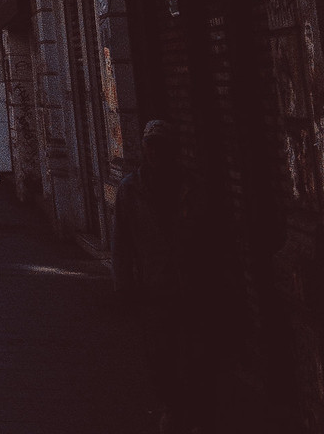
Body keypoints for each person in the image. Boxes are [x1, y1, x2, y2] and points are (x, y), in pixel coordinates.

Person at [114, 120, 205, 434]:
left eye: (160, 145)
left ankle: (189, 411)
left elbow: (210, 237)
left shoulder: (189, 186)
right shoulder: (130, 189)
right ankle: (171, 406)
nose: (154, 151)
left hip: (190, 285)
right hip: (152, 287)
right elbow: (121, 243)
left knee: (192, 353)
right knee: (159, 356)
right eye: (150, 144)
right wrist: (124, 286)